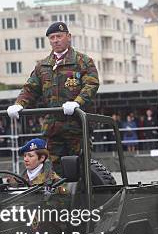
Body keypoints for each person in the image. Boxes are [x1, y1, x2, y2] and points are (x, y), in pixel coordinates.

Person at [7, 22, 99, 174]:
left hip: (76, 126)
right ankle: (59, 198)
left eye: (59, 36)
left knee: (80, 169)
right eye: (52, 37)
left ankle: (83, 197)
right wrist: (19, 104)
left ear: (68, 37)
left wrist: (77, 102)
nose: (56, 40)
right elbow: (30, 88)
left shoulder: (83, 62)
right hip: (53, 128)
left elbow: (91, 85)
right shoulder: (43, 66)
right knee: (54, 171)